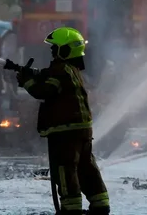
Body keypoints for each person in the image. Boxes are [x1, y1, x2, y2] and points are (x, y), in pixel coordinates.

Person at [15, 27, 110, 215]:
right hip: (82, 129)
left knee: (66, 170)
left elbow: (43, 91)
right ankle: (101, 204)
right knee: (86, 168)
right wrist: (33, 74)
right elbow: (49, 78)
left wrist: (27, 81)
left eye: (54, 48)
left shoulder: (60, 70)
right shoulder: (72, 70)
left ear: (65, 50)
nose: (51, 52)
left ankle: (71, 209)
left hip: (65, 131)